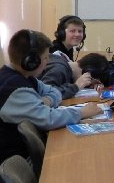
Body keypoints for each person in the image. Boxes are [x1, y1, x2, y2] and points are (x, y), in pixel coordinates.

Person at [0, 29, 103, 163]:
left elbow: (54, 92)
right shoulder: (14, 88)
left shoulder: (26, 78)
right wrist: (82, 112)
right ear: (31, 62)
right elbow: (49, 119)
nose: (48, 61)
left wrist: (47, 100)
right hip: (16, 159)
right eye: (45, 58)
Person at [40, 52, 110, 100]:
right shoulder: (60, 68)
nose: (88, 84)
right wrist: (76, 86)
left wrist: (91, 86)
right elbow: (45, 93)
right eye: (90, 81)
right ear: (87, 71)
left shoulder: (68, 70)